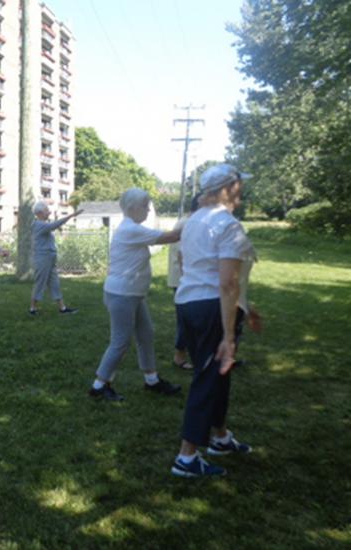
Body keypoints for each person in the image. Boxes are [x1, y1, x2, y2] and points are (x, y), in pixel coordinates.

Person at [170, 164, 259, 478]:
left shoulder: (194, 220)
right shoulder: (227, 224)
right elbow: (227, 284)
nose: (242, 189)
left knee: (217, 373)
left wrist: (245, 310)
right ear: (228, 187)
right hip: (210, 306)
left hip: (187, 303)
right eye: (239, 183)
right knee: (207, 379)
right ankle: (187, 458)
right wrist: (228, 336)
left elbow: (185, 262)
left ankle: (219, 437)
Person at [89, 188, 182, 401]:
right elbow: (172, 236)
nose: (149, 209)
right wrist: (193, 221)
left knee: (146, 334)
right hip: (122, 294)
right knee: (120, 342)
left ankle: (152, 380)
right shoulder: (130, 229)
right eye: (145, 205)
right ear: (131, 208)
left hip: (133, 294)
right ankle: (99, 386)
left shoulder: (132, 228)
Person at [166, 194, 201, 371]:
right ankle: (179, 357)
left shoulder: (188, 220)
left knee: (189, 319)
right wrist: (190, 281)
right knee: (186, 320)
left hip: (184, 279)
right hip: (183, 280)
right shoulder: (189, 223)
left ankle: (192, 354)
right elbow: (182, 256)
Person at [29, 201, 83, 315]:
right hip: (42, 258)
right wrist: (72, 215)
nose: (48, 211)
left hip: (49, 258)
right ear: (39, 213)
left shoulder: (43, 224)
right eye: (46, 210)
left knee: (55, 283)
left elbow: (53, 226)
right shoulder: (39, 224)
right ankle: (32, 309)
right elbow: (55, 225)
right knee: (40, 283)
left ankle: (62, 308)